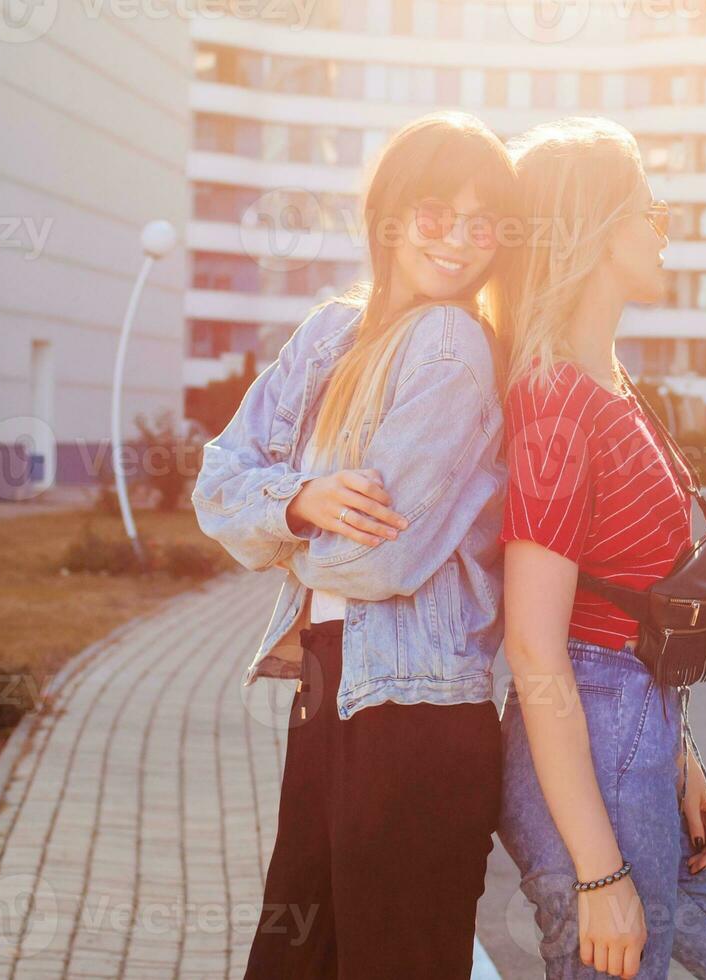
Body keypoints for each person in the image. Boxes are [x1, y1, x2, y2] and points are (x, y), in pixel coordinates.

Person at [495, 116, 706, 979]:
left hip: (642, 725)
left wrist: (684, 759)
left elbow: (630, 600)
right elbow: (538, 643)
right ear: (599, 230)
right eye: (651, 208)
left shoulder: (609, 381)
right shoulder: (557, 399)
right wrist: (601, 872)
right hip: (593, 751)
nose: (664, 225)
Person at [192, 110, 516, 978]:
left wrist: (280, 527)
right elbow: (214, 483)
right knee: (296, 960)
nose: (458, 242)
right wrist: (303, 500)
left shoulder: (452, 346)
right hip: (332, 698)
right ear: (391, 213)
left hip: (418, 719)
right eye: (437, 213)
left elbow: (374, 561)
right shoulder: (330, 334)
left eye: (482, 223)